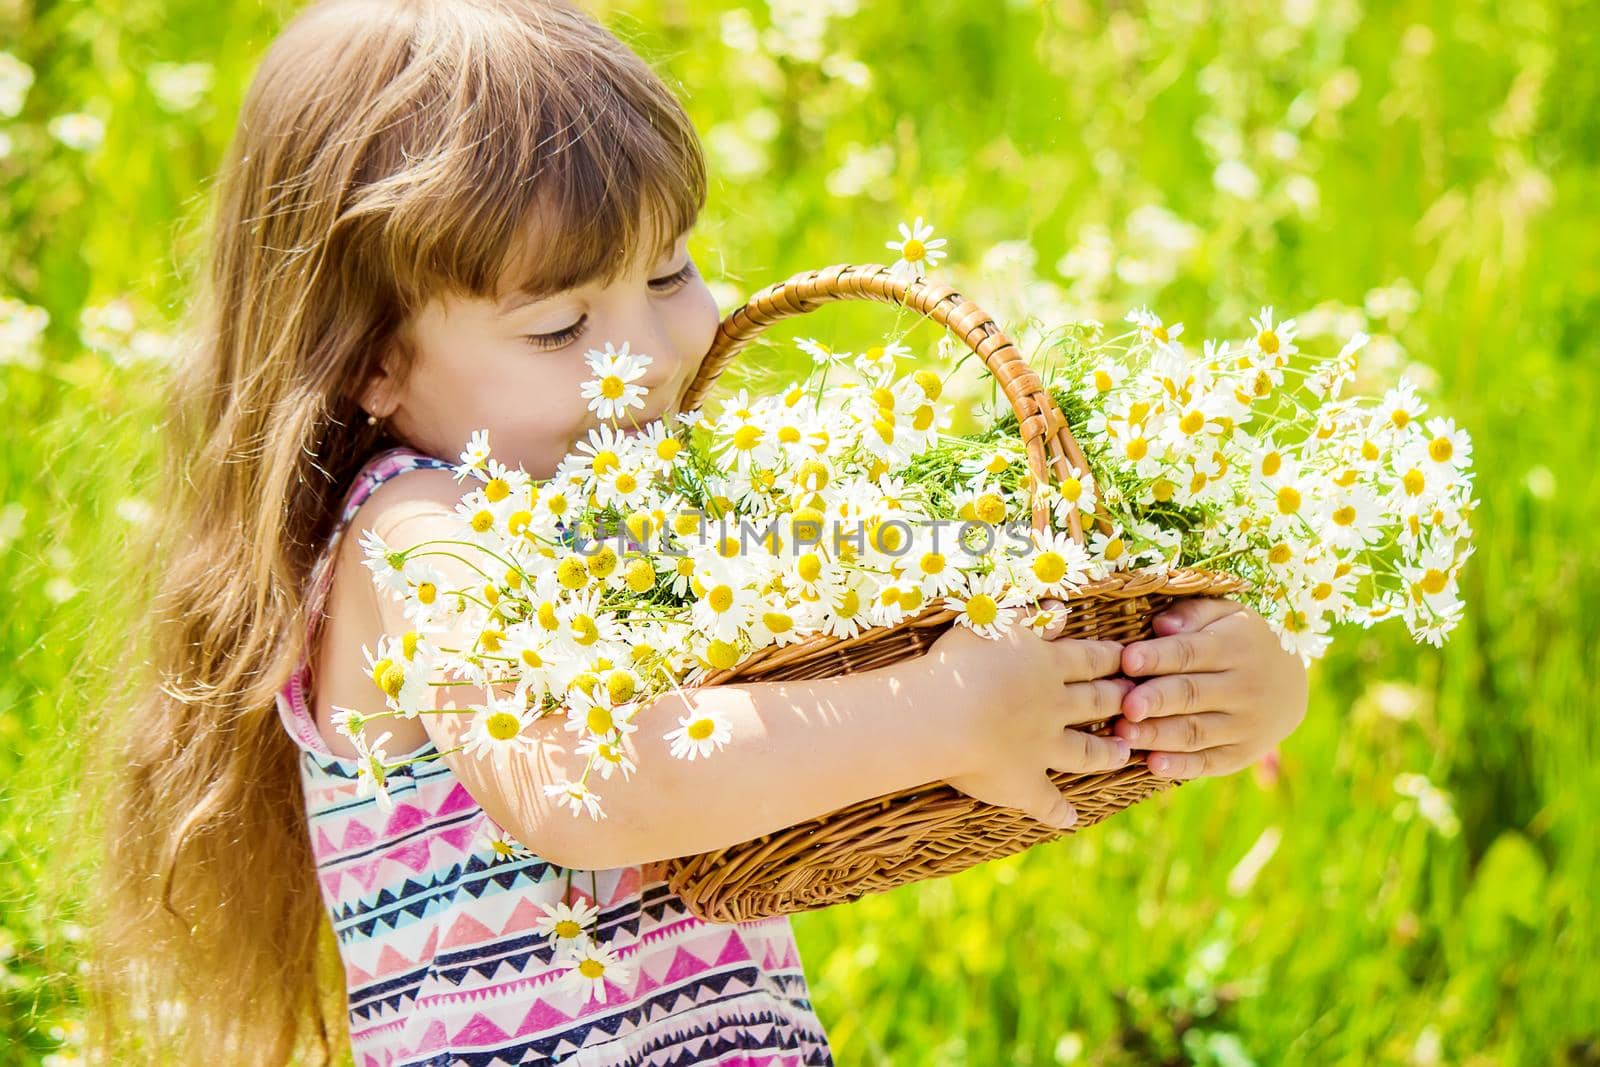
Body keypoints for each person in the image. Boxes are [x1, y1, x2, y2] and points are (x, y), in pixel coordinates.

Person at [85, 0, 1310, 1063]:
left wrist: (1183, 678)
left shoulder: (622, 520)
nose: (658, 353)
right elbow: (577, 780)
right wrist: (944, 708)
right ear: (371, 362)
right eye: (561, 327)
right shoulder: (420, 537)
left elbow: (826, 716)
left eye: (669, 274)